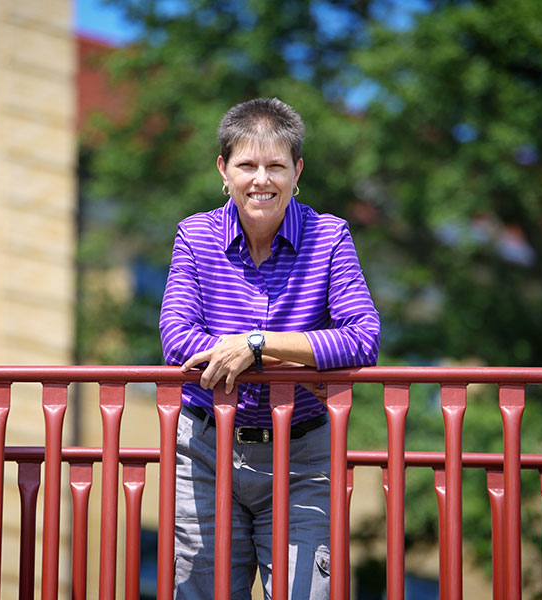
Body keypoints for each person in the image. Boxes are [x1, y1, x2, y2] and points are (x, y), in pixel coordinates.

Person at [159, 97, 380, 599]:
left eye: (276, 165)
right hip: (204, 451)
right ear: (224, 170)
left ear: (297, 171)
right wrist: (305, 361)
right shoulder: (194, 236)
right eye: (247, 165)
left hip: (303, 456)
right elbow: (177, 339)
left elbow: (363, 337)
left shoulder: (330, 236)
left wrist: (255, 348)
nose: (262, 179)